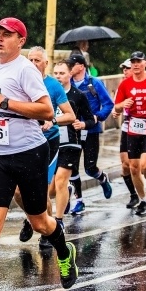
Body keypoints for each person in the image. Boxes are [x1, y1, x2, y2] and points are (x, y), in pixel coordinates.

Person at [0, 17, 77, 291]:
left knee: (40, 222)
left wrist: (7, 102)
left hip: (29, 155)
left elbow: (46, 110)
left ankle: (65, 253)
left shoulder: (26, 69)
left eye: (7, 35)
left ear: (20, 41)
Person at [17, 46, 74, 250]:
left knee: (41, 191)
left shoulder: (53, 85)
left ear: (45, 63)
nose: (32, 64)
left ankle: (48, 231)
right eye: (30, 60)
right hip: (24, 143)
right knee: (17, 192)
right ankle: (33, 219)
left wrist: (53, 121)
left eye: (37, 61)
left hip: (48, 143)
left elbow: (71, 115)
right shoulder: (20, 80)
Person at [113, 51, 146, 214]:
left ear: (145, 64)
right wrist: (122, 105)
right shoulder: (125, 84)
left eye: (138, 61)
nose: (135, 64)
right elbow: (117, 107)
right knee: (134, 167)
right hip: (133, 127)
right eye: (133, 61)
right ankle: (142, 200)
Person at [67, 52, 114, 214]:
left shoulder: (93, 84)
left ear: (81, 66)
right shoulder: (67, 83)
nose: (68, 68)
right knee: (71, 167)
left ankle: (102, 178)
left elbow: (108, 104)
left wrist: (97, 117)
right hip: (72, 132)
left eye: (71, 65)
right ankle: (78, 201)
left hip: (91, 130)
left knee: (89, 167)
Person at [52, 60, 94, 219]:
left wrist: (82, 124)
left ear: (70, 74)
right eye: (55, 73)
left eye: (62, 73)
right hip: (52, 143)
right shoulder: (48, 92)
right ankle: (68, 191)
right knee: (51, 188)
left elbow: (91, 120)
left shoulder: (78, 95)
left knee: (61, 180)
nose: (58, 77)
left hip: (71, 143)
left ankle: (59, 220)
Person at [111, 59, 139, 207]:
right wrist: (116, 112)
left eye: (127, 68)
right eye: (124, 69)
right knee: (125, 164)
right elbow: (116, 106)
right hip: (127, 127)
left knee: (139, 166)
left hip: (142, 129)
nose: (125, 71)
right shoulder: (123, 85)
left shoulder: (142, 84)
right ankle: (133, 195)